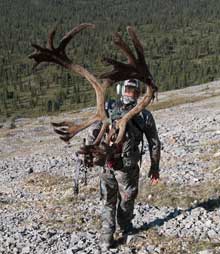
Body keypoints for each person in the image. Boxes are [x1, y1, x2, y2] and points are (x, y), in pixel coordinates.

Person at [87, 79, 161, 250]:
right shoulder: (143, 115)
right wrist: (155, 166)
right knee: (124, 198)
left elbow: (93, 131)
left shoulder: (108, 108)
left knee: (109, 199)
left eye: (133, 91)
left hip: (108, 164)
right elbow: (154, 143)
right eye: (128, 90)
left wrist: (92, 155)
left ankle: (107, 235)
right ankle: (123, 229)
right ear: (122, 90)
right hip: (124, 167)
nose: (130, 94)